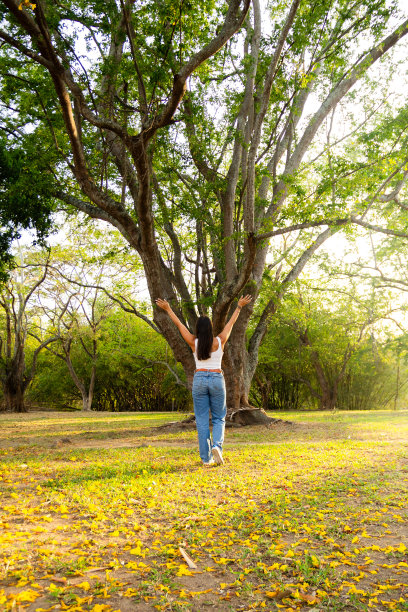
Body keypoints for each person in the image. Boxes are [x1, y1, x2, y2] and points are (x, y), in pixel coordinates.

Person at [155, 295, 252, 466]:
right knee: (219, 417)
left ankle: (206, 458)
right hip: (216, 378)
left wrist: (168, 309)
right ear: (211, 328)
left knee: (201, 419)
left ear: (198, 329)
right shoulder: (220, 341)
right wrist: (238, 307)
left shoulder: (193, 342)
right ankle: (217, 447)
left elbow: (179, 325)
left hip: (199, 378)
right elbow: (231, 324)